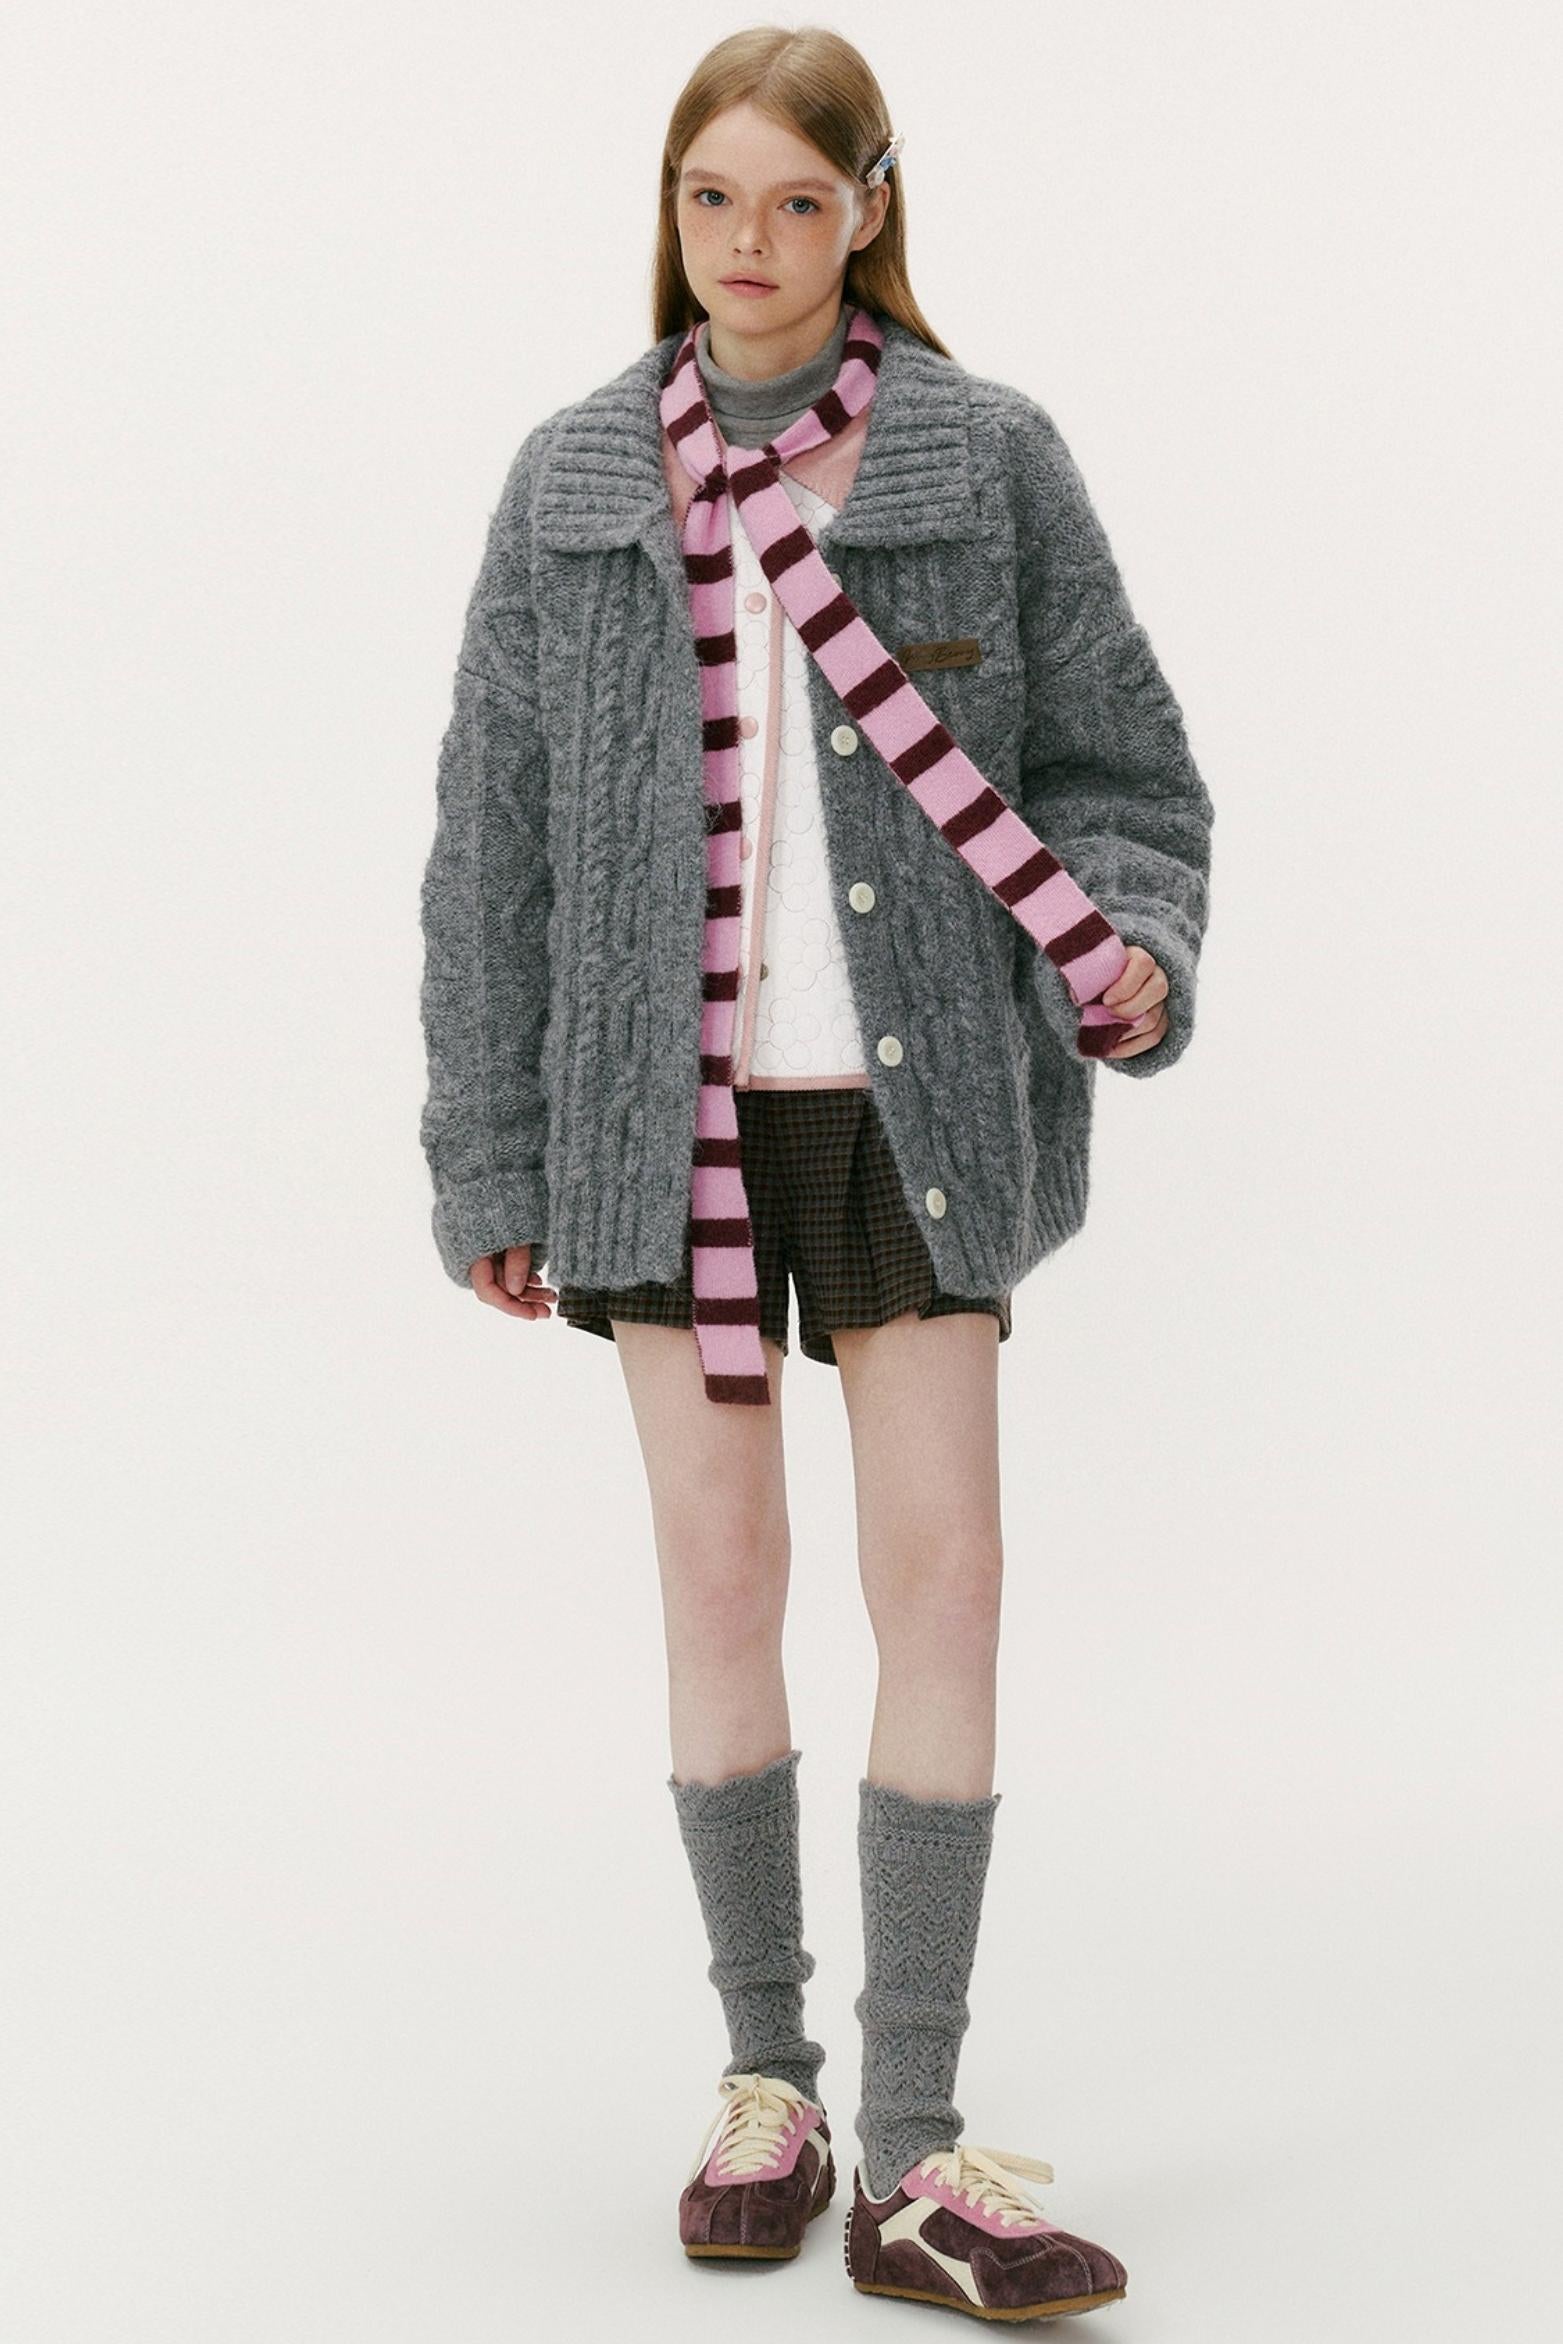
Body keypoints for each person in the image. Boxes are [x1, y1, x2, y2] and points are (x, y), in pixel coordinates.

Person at [418, 24, 1213, 2321]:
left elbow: (1124, 772)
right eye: (709, 200)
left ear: (868, 207)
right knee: (719, 1574)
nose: (747, 244)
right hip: (644, 1105)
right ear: (666, 212)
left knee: (942, 1574)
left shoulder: (982, 454)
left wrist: (1126, 940)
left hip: (912, 1102)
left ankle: (918, 2135)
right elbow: (491, 849)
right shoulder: (576, 476)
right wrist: (488, 1146)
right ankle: (762, 2080)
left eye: (792, 200)